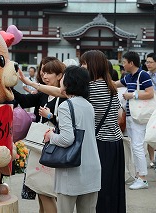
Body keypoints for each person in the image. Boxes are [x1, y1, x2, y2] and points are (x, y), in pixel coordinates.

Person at [20, 50, 126, 213]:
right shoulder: (110, 87)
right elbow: (119, 117)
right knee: (109, 192)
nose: (82, 68)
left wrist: (34, 84)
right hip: (114, 144)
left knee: (90, 198)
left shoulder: (89, 89)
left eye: (83, 64)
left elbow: (61, 94)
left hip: (99, 145)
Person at [43, 65, 101, 213]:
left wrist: (50, 136)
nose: (61, 79)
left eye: (63, 77)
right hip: (92, 168)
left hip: (72, 170)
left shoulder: (65, 106)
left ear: (69, 82)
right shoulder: (88, 105)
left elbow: (67, 139)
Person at [14, 58, 66, 213]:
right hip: (38, 146)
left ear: (59, 76)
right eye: (44, 72)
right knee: (40, 188)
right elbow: (23, 101)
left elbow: (66, 126)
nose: (44, 75)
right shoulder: (43, 94)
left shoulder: (64, 97)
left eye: (49, 72)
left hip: (53, 146)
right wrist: (8, 85)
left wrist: (50, 116)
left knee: (46, 192)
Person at [115, 51, 154, 190]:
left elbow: (150, 93)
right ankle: (139, 176)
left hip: (139, 117)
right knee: (135, 146)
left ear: (131, 63)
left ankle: (142, 178)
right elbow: (116, 84)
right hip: (132, 116)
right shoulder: (129, 76)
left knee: (137, 146)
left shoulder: (142, 75)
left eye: (124, 62)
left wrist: (132, 95)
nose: (123, 65)